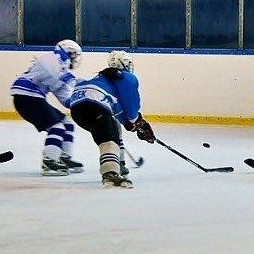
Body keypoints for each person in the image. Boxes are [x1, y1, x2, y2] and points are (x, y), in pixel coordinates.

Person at [69, 50, 156, 188]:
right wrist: (137, 122)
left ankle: (119, 164)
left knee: (113, 127)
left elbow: (117, 109)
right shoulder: (126, 77)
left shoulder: (104, 78)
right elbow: (131, 105)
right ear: (126, 64)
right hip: (94, 105)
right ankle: (110, 174)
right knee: (109, 140)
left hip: (77, 108)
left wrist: (129, 124)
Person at [10, 39, 85, 176]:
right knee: (57, 127)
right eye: (74, 55)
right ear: (67, 51)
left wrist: (83, 99)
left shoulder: (61, 72)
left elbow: (66, 99)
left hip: (33, 97)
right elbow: (57, 72)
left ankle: (63, 157)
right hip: (26, 96)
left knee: (67, 123)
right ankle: (49, 161)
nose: (75, 59)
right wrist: (76, 82)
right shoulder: (53, 57)